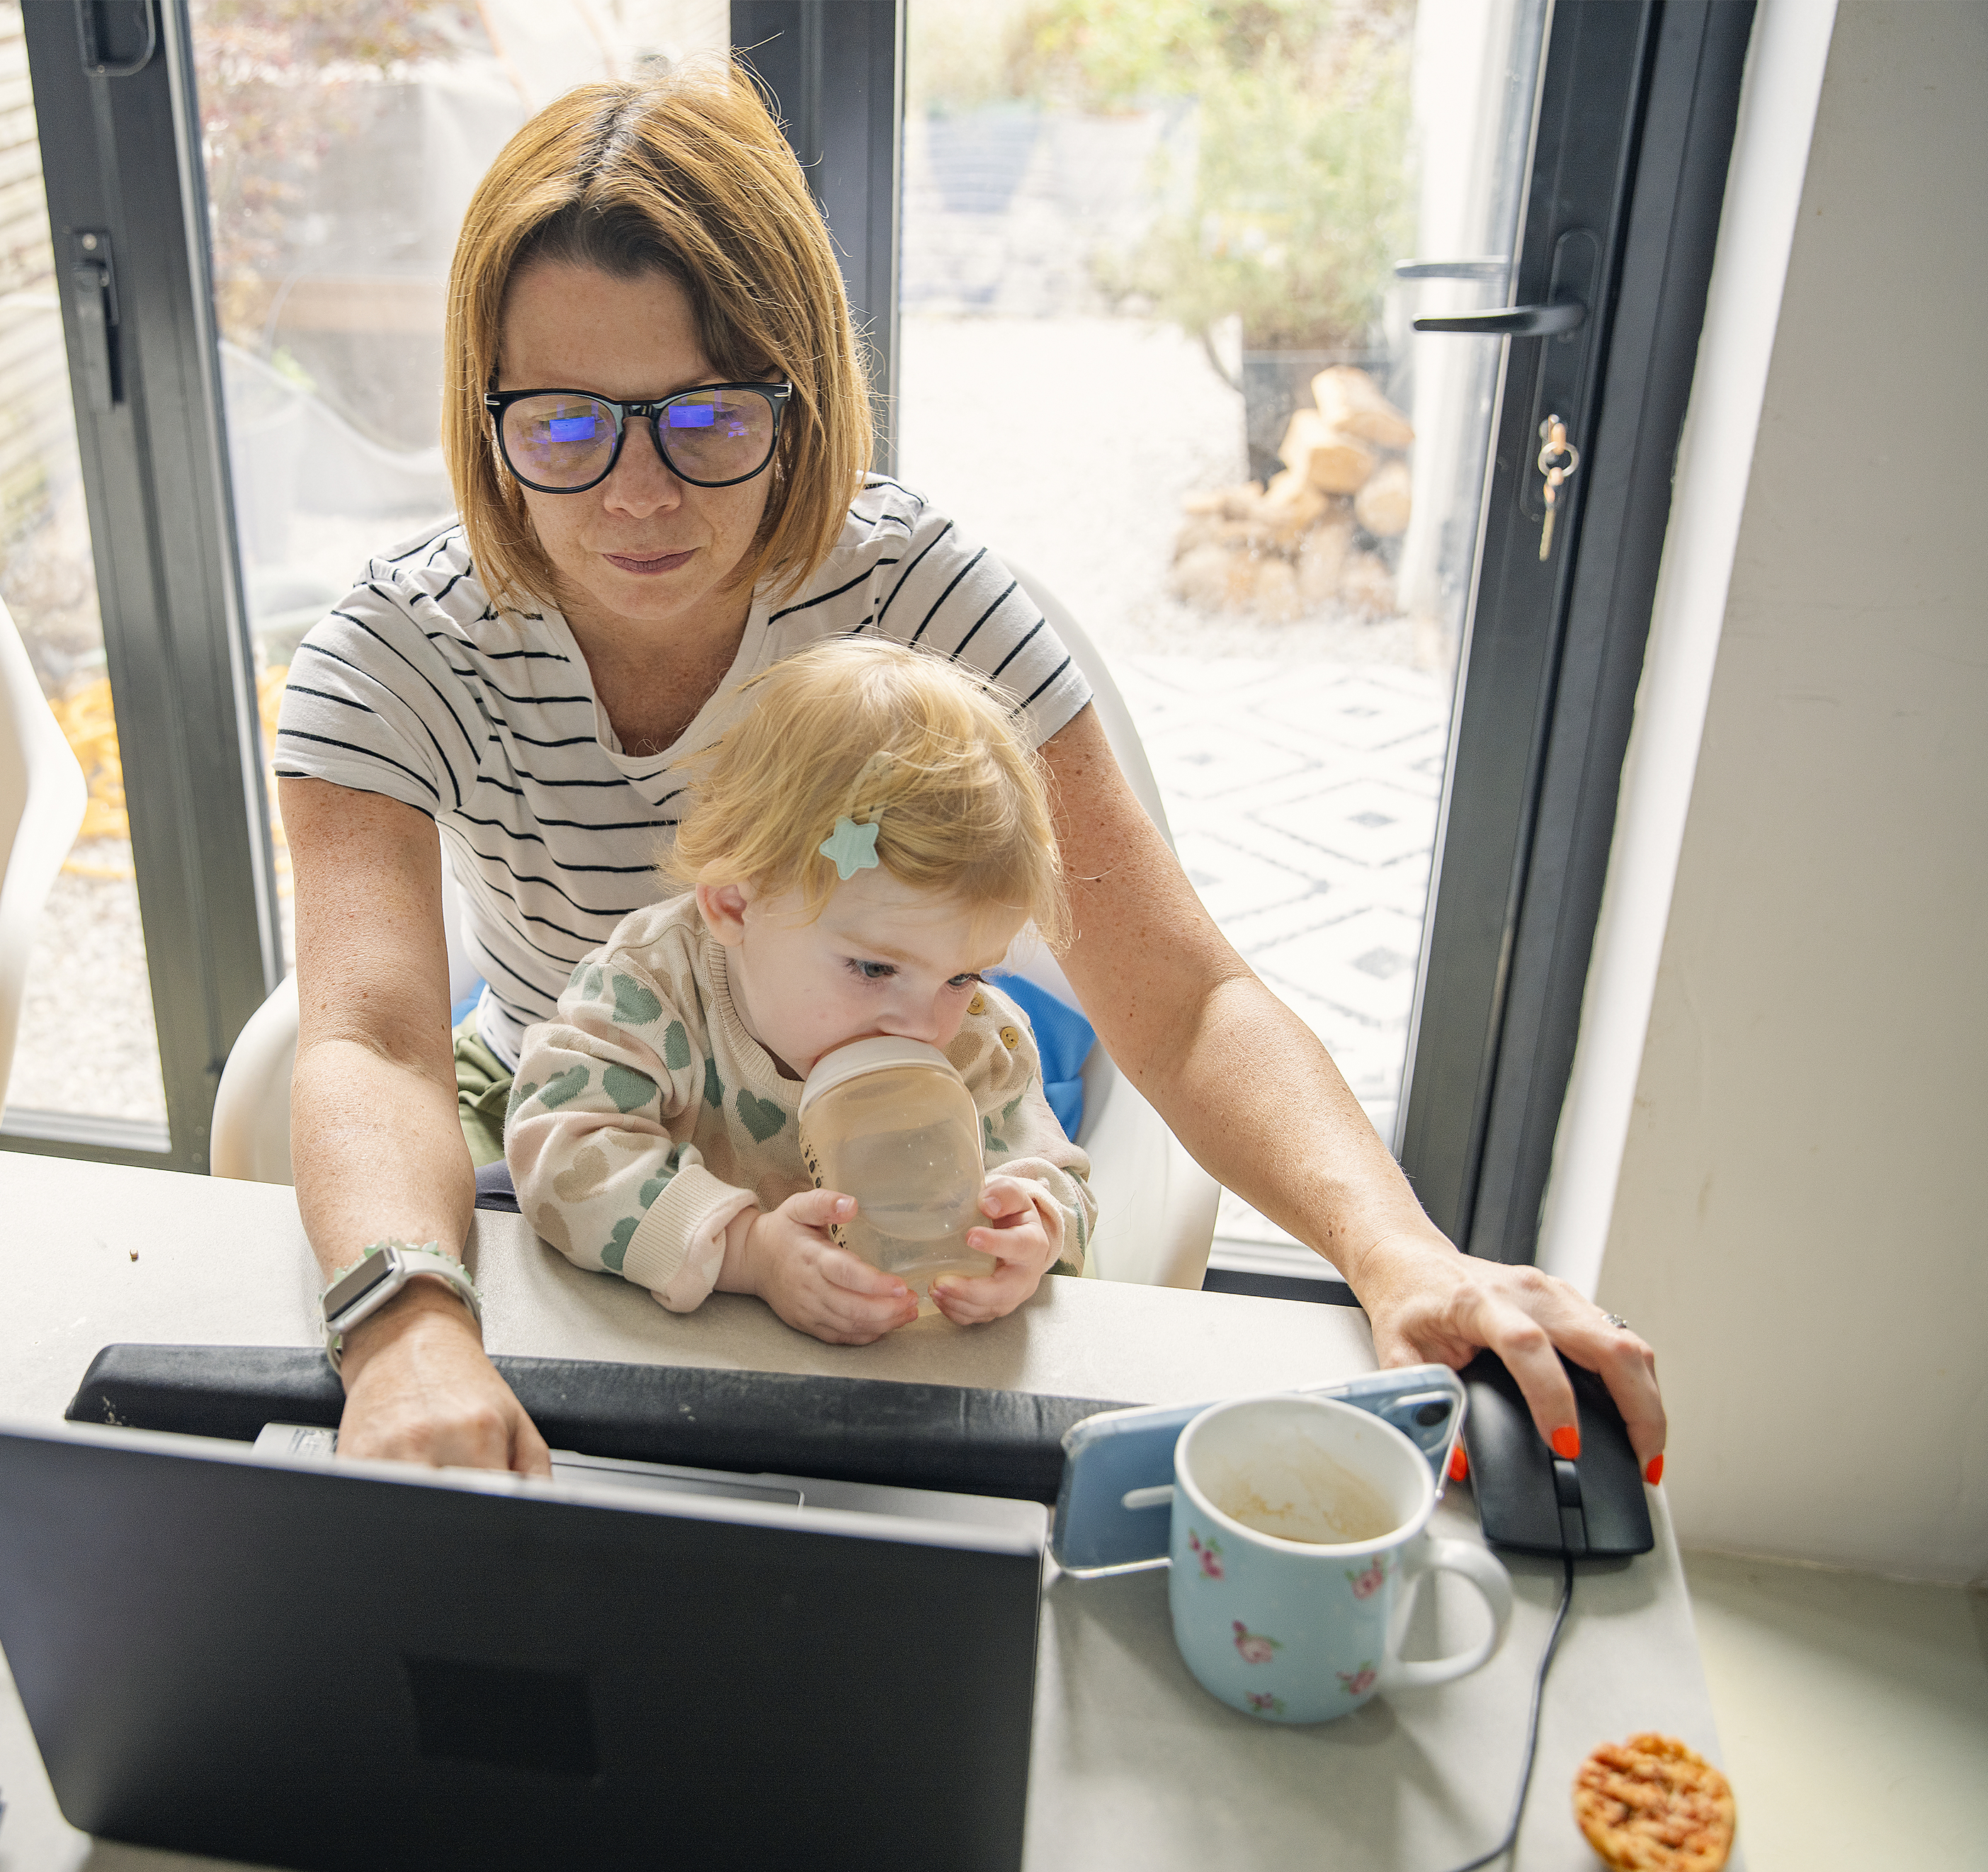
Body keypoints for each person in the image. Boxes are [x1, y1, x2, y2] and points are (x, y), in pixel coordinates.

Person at [271, 62, 1665, 1482]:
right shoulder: (389, 651)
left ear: (798, 398)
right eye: (562, 423)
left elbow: (1177, 997)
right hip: (611, 1091)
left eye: (707, 421)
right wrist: (407, 1322)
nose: (638, 495)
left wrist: (1396, 1252)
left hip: (884, 1108)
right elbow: (375, 1039)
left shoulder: (912, 591)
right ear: (484, 411)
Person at [505, 639, 1092, 1341]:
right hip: (685, 1347)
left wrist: (1029, 1231)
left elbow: (1055, 1175)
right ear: (733, 905)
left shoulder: (971, 1039)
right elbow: (560, 1157)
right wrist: (750, 1252)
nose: (922, 1024)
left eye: (962, 975)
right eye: (874, 969)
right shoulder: (651, 990)